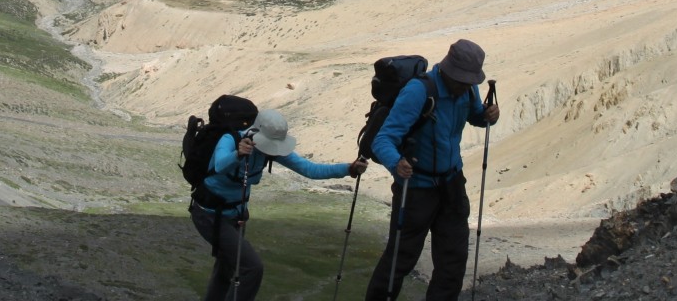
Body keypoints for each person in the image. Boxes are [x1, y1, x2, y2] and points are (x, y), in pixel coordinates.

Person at [365, 39, 500, 300]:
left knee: (453, 261)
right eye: (462, 80)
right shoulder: (418, 92)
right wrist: (396, 163)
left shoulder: (467, 90)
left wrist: (488, 116)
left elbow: (475, 116)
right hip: (416, 188)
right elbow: (383, 139)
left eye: (470, 81)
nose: (466, 85)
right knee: (400, 258)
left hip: (451, 184)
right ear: (448, 71)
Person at [193, 108, 369, 301]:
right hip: (209, 214)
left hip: (235, 215)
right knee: (252, 268)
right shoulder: (230, 139)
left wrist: (348, 169)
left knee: (226, 268)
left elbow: (309, 169)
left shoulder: (270, 150)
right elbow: (218, 165)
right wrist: (238, 154)